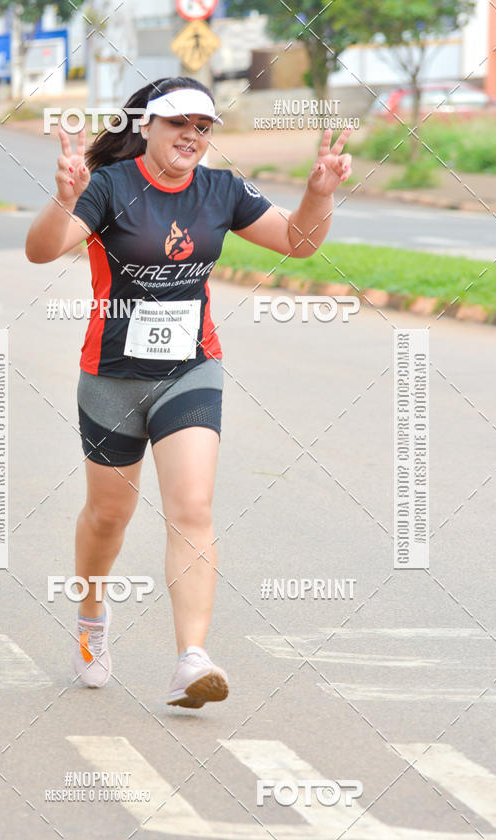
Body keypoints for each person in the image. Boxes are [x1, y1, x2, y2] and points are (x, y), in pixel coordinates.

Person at [25, 75, 352, 707]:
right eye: (178, 123)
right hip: (112, 374)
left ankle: (190, 658)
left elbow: (299, 242)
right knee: (109, 516)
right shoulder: (109, 187)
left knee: (192, 508)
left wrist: (318, 195)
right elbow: (42, 251)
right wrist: (65, 199)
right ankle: (91, 620)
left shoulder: (222, 190)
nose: (191, 136)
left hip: (190, 369)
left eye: (203, 127)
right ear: (145, 126)